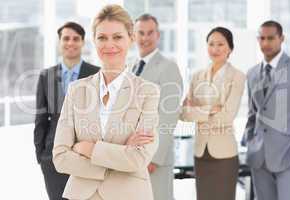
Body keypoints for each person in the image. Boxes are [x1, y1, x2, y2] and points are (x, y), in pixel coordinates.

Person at [52, 4, 160, 200]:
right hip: (80, 195)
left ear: (131, 39)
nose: (109, 44)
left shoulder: (148, 92)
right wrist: (118, 157)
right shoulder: (77, 90)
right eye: (102, 37)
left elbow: (138, 158)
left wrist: (87, 149)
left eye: (117, 37)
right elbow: (60, 157)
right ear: (94, 40)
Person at [33, 21, 99, 200]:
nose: (71, 43)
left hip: (86, 157)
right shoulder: (46, 76)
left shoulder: (96, 74)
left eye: (76, 39)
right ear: (59, 42)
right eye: (66, 38)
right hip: (53, 157)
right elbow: (40, 119)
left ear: (83, 42)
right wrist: (41, 156)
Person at [180, 27, 245, 200]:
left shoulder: (237, 76)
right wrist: (210, 110)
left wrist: (197, 111)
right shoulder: (197, 76)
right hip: (201, 153)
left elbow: (227, 116)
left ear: (230, 48)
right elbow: (183, 113)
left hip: (225, 155)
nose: (215, 49)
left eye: (220, 44)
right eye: (211, 44)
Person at [243, 20, 290, 200]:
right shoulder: (251, 73)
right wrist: (250, 141)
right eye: (261, 38)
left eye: (270, 38)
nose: (265, 43)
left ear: (281, 38)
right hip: (259, 159)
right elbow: (252, 114)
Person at [132, 13, 183, 200]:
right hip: (134, 156)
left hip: (154, 158)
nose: (145, 38)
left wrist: (154, 157)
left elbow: (169, 116)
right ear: (134, 35)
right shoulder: (133, 66)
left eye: (150, 33)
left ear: (158, 35)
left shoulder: (168, 67)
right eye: (141, 33)